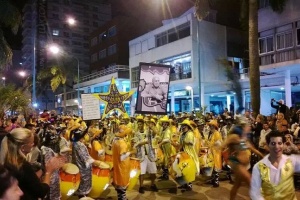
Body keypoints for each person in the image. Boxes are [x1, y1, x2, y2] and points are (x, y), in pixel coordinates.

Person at [0, 128, 62, 200]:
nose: (33, 144)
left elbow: (28, 180)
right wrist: (49, 172)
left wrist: (43, 169)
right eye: (32, 143)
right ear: (23, 147)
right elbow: (41, 192)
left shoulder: (6, 161)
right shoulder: (22, 165)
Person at [250, 130, 300, 199]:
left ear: (284, 144)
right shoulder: (258, 167)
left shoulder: (292, 161)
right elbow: (255, 193)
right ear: (267, 145)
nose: (277, 147)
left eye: (280, 143)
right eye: (273, 143)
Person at [224, 117, 263, 200]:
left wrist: (264, 156)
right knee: (251, 182)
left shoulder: (244, 138)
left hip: (243, 164)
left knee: (237, 185)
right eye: (248, 126)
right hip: (237, 163)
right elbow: (223, 145)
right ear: (243, 127)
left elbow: (253, 149)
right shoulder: (234, 137)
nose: (249, 127)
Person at [134, 118, 159, 193]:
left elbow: (156, 132)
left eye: (141, 124)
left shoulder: (148, 132)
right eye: (138, 124)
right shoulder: (136, 134)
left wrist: (151, 126)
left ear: (143, 124)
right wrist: (142, 143)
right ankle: (141, 186)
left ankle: (153, 184)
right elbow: (135, 144)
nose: (139, 125)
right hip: (141, 155)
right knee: (142, 172)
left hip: (150, 155)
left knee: (153, 172)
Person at [112, 125, 135, 200]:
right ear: (125, 134)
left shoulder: (115, 140)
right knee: (122, 186)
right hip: (122, 167)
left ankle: (121, 198)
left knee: (119, 185)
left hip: (117, 166)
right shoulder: (122, 143)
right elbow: (122, 157)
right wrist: (132, 152)